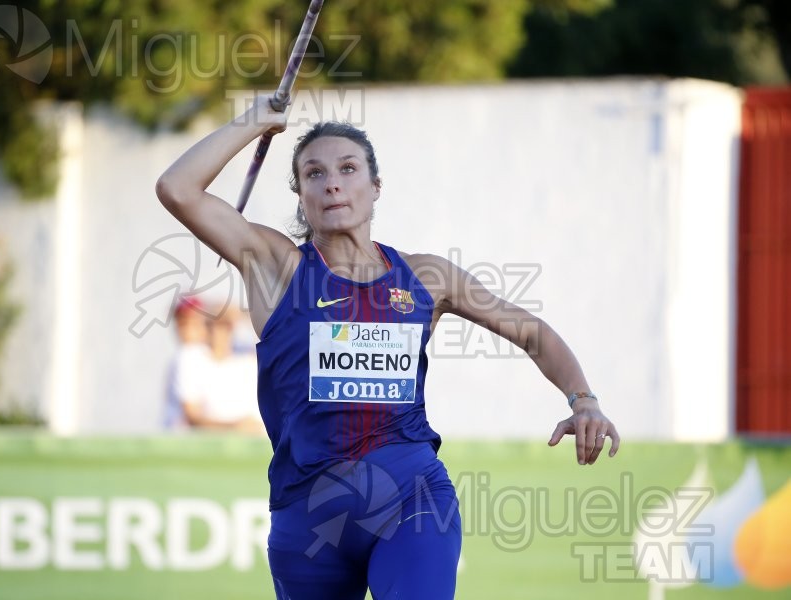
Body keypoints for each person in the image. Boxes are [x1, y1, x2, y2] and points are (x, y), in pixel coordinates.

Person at [156, 96, 620, 599]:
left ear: (375, 188)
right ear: (301, 196)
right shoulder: (276, 267)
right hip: (307, 517)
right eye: (314, 173)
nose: (332, 181)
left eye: (348, 168)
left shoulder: (425, 276)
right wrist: (254, 122)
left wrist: (583, 399)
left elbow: (532, 332)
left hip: (410, 496)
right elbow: (178, 189)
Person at [164, 296, 261, 433]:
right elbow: (193, 416)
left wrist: (241, 314)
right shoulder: (189, 356)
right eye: (211, 323)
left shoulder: (247, 356)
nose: (218, 330)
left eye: (226, 324)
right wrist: (236, 427)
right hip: (205, 444)